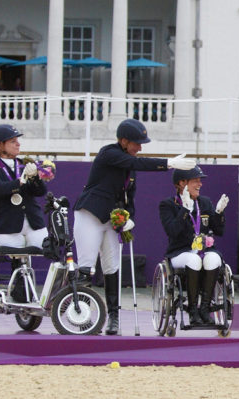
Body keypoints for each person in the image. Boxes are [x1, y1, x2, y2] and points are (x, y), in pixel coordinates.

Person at [75, 118, 196, 334]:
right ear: (123, 141)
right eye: (136, 143)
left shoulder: (131, 170)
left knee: (112, 267)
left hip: (112, 220)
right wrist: (168, 164)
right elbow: (134, 163)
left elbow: (129, 199)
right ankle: (78, 312)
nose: (139, 148)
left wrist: (129, 217)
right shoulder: (108, 153)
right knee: (86, 266)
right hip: (91, 215)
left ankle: (113, 317)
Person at [159, 167, 228, 326]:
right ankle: (192, 309)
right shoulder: (167, 204)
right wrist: (185, 210)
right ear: (182, 183)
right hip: (180, 252)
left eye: (200, 180)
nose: (200, 184)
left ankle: (204, 308)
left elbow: (219, 230)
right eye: (196, 180)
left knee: (214, 259)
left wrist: (218, 212)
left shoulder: (204, 202)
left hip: (204, 250)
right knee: (193, 260)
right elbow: (173, 231)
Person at [0, 125, 49, 253]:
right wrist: (20, 182)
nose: (18, 144)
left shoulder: (25, 164)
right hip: (8, 225)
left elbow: (40, 192)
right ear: (0, 146)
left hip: (33, 222)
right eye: (13, 141)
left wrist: (35, 178)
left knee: (43, 250)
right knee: (16, 257)